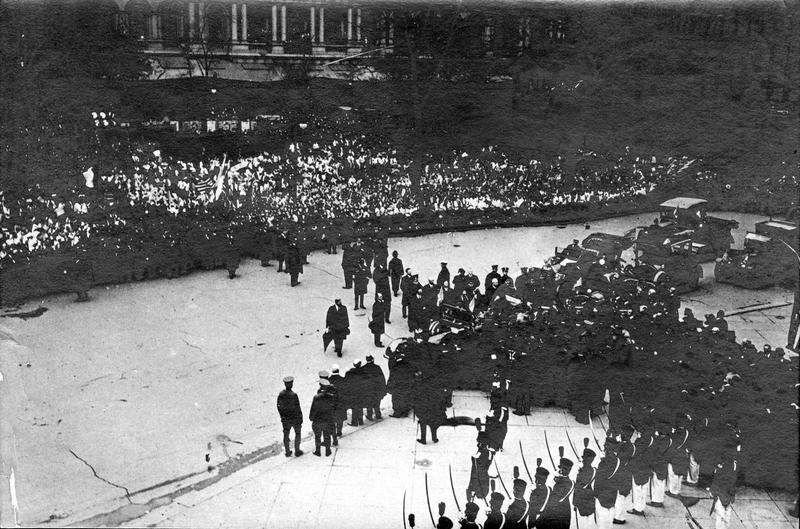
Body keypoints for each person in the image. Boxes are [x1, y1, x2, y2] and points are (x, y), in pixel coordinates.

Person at [538, 458, 573, 529]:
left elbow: (558, 498)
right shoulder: (556, 479)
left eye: (566, 469)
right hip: (550, 511)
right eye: (561, 468)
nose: (563, 471)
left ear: (569, 470)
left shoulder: (570, 482)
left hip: (562, 514)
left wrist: (557, 481)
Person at [276, 376, 303, 457]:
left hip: (285, 419)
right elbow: (298, 408)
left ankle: (287, 451)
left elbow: (278, 406)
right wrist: (300, 418)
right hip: (294, 418)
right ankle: (297, 450)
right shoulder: (294, 395)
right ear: (292, 384)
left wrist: (282, 416)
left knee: (286, 434)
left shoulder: (281, 394)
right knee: (297, 433)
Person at [309, 379, 335, 457]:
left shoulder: (316, 397)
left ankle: (318, 451)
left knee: (317, 436)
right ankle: (328, 451)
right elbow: (333, 408)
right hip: (327, 419)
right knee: (327, 435)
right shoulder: (331, 397)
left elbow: (313, 408)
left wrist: (311, 417)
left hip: (318, 419)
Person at [710, 457, 737, 529]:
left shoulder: (719, 475)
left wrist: (712, 493)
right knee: (725, 517)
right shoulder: (730, 475)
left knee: (722, 517)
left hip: (722, 498)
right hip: (725, 498)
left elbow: (714, 487)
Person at [573, 446, 597, 528]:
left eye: (585, 459)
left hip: (586, 500)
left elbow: (580, 485)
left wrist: (575, 501)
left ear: (589, 460)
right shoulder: (585, 470)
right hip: (584, 501)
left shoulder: (590, 471)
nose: (583, 460)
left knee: (588, 523)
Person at [467, 432, 494, 502]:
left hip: (479, 483)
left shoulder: (481, 454)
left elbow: (477, 470)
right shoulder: (488, 453)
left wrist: (475, 458)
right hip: (482, 480)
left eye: (479, 443)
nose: (477, 444)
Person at [362, 354, 386, 420]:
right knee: (377, 402)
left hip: (367, 389)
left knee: (369, 402)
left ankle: (369, 415)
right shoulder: (377, 367)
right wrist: (383, 388)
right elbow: (382, 379)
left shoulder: (363, 368)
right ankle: (378, 415)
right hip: (376, 389)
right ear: (372, 359)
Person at [346, 360, 366, 426]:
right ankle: (360, 421)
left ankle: (354, 422)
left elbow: (347, 383)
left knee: (354, 408)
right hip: (361, 392)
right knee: (360, 407)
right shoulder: (363, 371)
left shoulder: (349, 373)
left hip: (353, 393)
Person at [329, 365, 347, 438]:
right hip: (340, 402)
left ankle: (333, 433)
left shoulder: (328, 380)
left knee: (332, 418)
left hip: (331, 403)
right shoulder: (342, 379)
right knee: (340, 418)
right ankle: (339, 431)